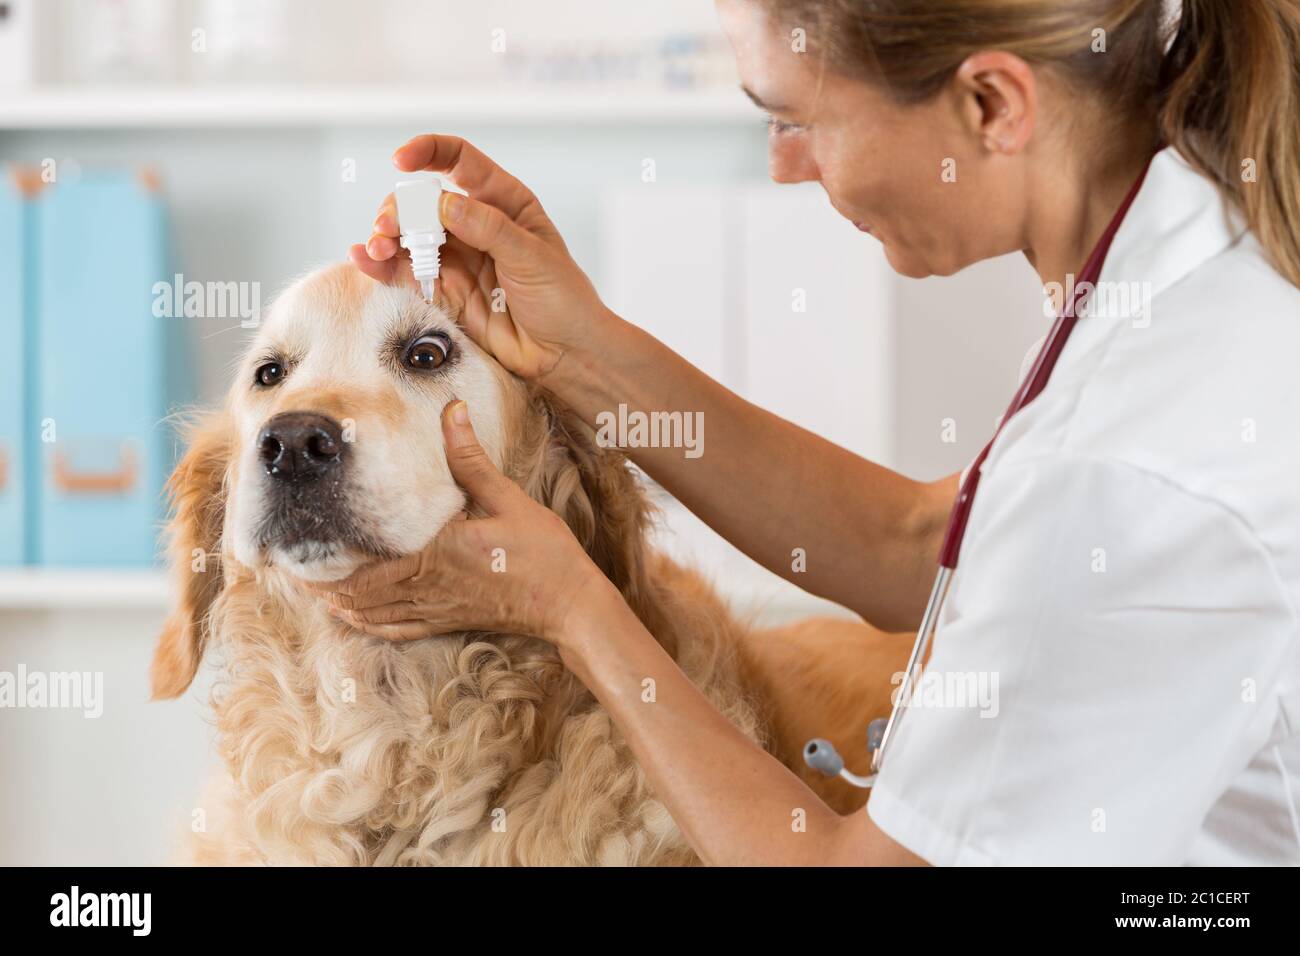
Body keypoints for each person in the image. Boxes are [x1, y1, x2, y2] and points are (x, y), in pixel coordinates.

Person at [329, 0, 1300, 865]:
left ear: (993, 106)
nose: (784, 170)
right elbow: (924, 544)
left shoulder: (1124, 466)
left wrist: (572, 608)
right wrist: (580, 346)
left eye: (798, 120)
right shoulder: (1188, 241)